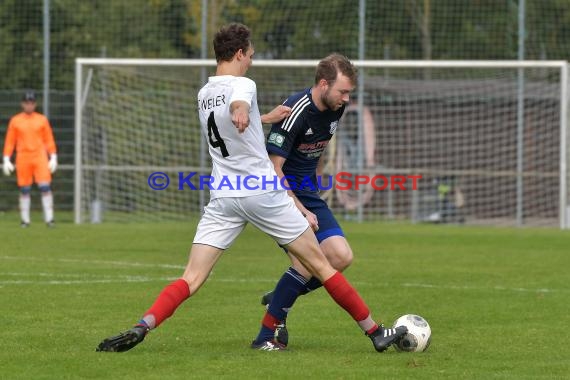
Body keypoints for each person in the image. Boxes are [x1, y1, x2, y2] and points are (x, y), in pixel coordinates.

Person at [96, 23, 406, 353]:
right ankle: (374, 332)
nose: (252, 61)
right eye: (251, 55)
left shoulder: (203, 94)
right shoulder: (244, 84)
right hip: (261, 191)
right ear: (240, 53)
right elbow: (238, 106)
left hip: (224, 194)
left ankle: (144, 325)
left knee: (192, 277)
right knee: (321, 265)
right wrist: (243, 109)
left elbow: (230, 124)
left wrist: (260, 116)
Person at [251, 53, 364, 347]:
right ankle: (270, 329)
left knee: (341, 257)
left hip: (307, 192)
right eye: (343, 91)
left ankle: (278, 300)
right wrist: (299, 209)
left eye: (349, 92)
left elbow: (318, 148)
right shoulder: (295, 110)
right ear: (323, 84)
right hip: (281, 196)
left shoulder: (335, 108)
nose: (346, 99)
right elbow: (274, 168)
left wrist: (319, 179)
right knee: (303, 265)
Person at [2, 91, 57, 227]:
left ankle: (49, 219)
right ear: (22, 104)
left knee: (45, 186)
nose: (29, 106)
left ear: (35, 104)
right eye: (27, 103)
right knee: (24, 189)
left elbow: (48, 139)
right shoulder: (15, 121)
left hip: (39, 156)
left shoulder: (42, 119)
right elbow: (10, 141)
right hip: (23, 156)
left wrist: (53, 156)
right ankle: (25, 220)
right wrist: (6, 158)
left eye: (31, 103)